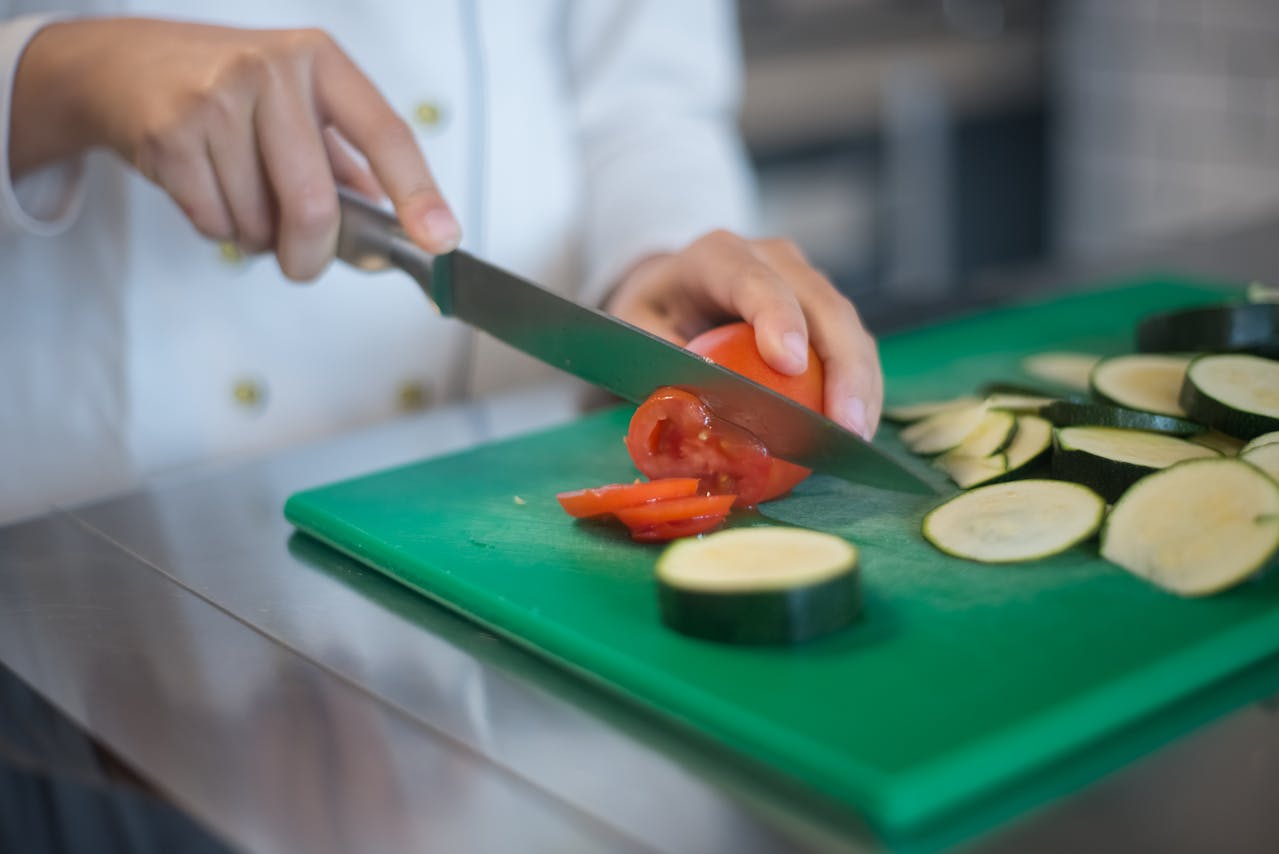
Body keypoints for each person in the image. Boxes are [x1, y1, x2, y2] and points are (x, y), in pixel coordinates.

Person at [0, 2, 883, 527]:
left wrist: (656, 254)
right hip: (99, 531)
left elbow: (646, 101)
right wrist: (53, 74)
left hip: (502, 477)